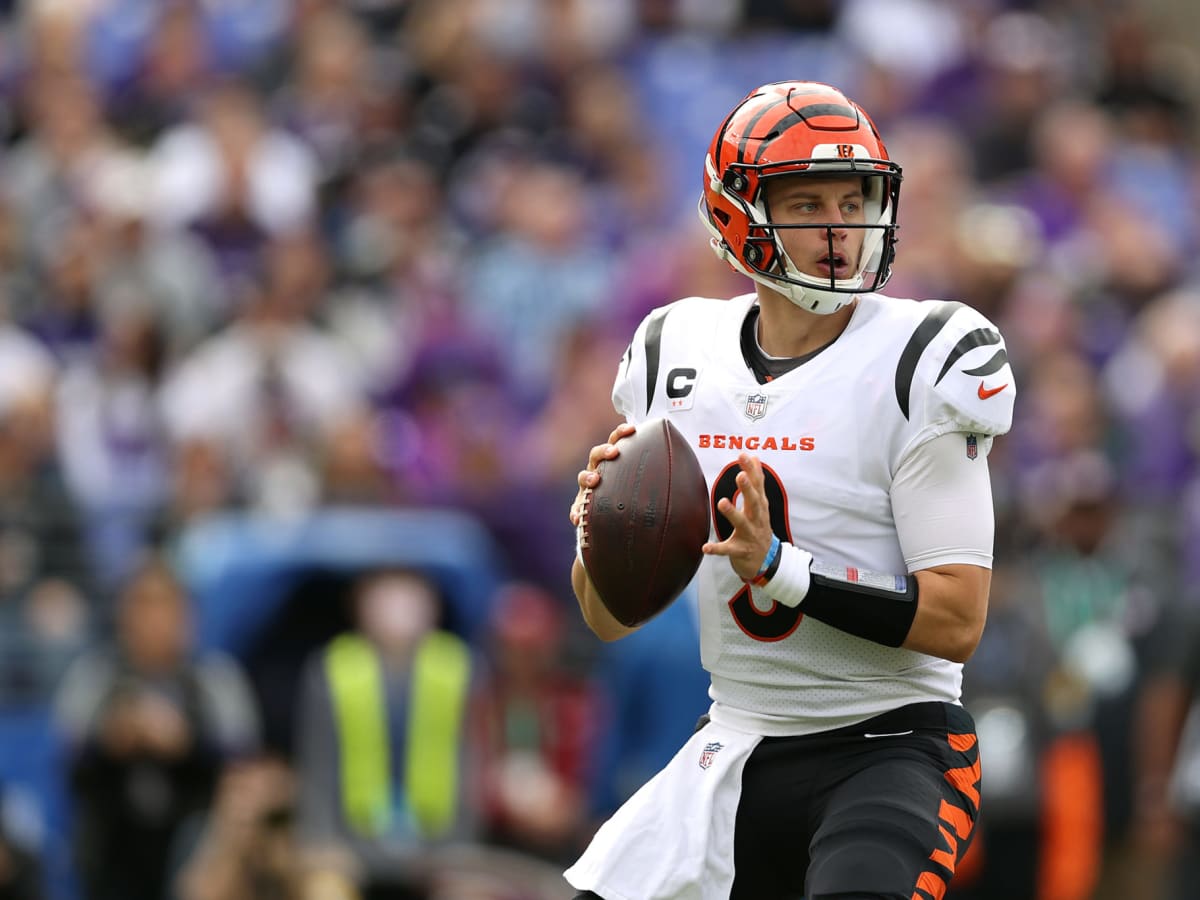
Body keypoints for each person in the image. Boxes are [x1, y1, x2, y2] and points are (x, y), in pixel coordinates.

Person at [564, 81, 1016, 900]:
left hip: (890, 745)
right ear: (738, 214)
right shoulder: (675, 348)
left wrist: (779, 568)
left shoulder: (925, 355)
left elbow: (957, 620)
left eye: (856, 198)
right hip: (734, 740)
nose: (840, 228)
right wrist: (602, 536)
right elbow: (607, 617)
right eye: (808, 203)